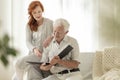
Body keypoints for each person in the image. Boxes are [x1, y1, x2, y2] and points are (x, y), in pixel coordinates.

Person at [14, 1, 53, 80]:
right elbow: (28, 41)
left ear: (42, 10)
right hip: (34, 55)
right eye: (34, 12)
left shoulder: (49, 23)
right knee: (19, 64)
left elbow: (54, 37)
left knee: (19, 63)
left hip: (46, 55)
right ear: (31, 13)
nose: (37, 14)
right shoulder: (29, 25)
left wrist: (50, 39)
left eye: (39, 11)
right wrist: (34, 49)